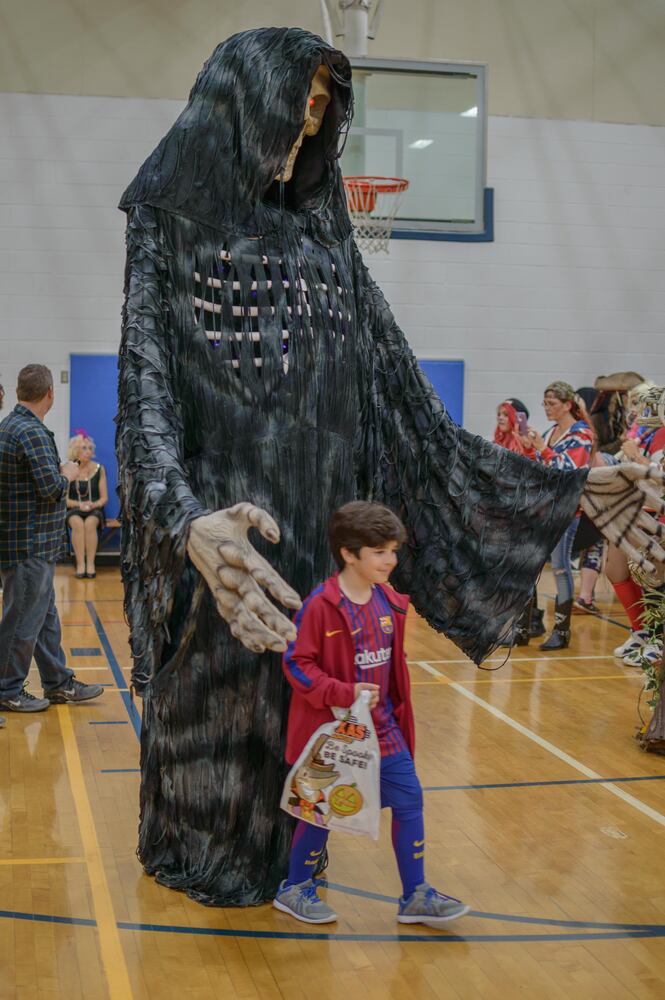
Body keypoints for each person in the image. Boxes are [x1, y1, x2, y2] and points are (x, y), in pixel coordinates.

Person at [116, 27, 665, 907]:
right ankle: (213, 851)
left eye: (317, 122)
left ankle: (300, 866)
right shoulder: (170, 226)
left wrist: (569, 489)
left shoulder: (329, 240)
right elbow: (144, 400)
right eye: (289, 117)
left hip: (318, 544)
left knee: (314, 720)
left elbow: (410, 409)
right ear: (238, 111)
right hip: (230, 554)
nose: (301, 139)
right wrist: (185, 522)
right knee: (222, 722)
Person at [274, 501, 469, 926]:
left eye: (393, 551)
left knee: (410, 800)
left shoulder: (391, 604)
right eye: (380, 552)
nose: (391, 560)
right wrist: (342, 691)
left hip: (385, 729)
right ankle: (294, 889)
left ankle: (415, 894)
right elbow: (296, 665)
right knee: (321, 809)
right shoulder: (320, 606)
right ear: (349, 553)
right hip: (335, 732)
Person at [0, 365, 104, 714]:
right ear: (49, 393)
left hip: (24, 544)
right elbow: (50, 489)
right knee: (21, 624)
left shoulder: (12, 427)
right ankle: (8, 689)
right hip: (30, 546)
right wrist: (67, 473)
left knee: (44, 620)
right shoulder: (30, 431)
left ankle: (58, 682)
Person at [524, 382, 594, 650]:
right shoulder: (552, 431)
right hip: (545, 507)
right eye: (545, 404)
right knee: (531, 563)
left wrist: (542, 448)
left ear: (567, 405)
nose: (547, 409)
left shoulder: (582, 433)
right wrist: (531, 448)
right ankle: (529, 622)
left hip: (567, 509)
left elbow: (569, 469)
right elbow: (542, 468)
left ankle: (562, 631)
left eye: (552, 404)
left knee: (561, 566)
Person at [65, 432, 108, 578]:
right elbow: (64, 500)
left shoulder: (98, 468)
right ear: (75, 450)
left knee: (90, 523)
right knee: (76, 523)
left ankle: (90, 564)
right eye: (84, 448)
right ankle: (80, 564)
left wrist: (92, 505)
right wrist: (80, 504)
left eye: (90, 448)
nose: (88, 451)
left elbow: (104, 498)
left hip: (94, 509)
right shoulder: (68, 469)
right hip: (74, 509)